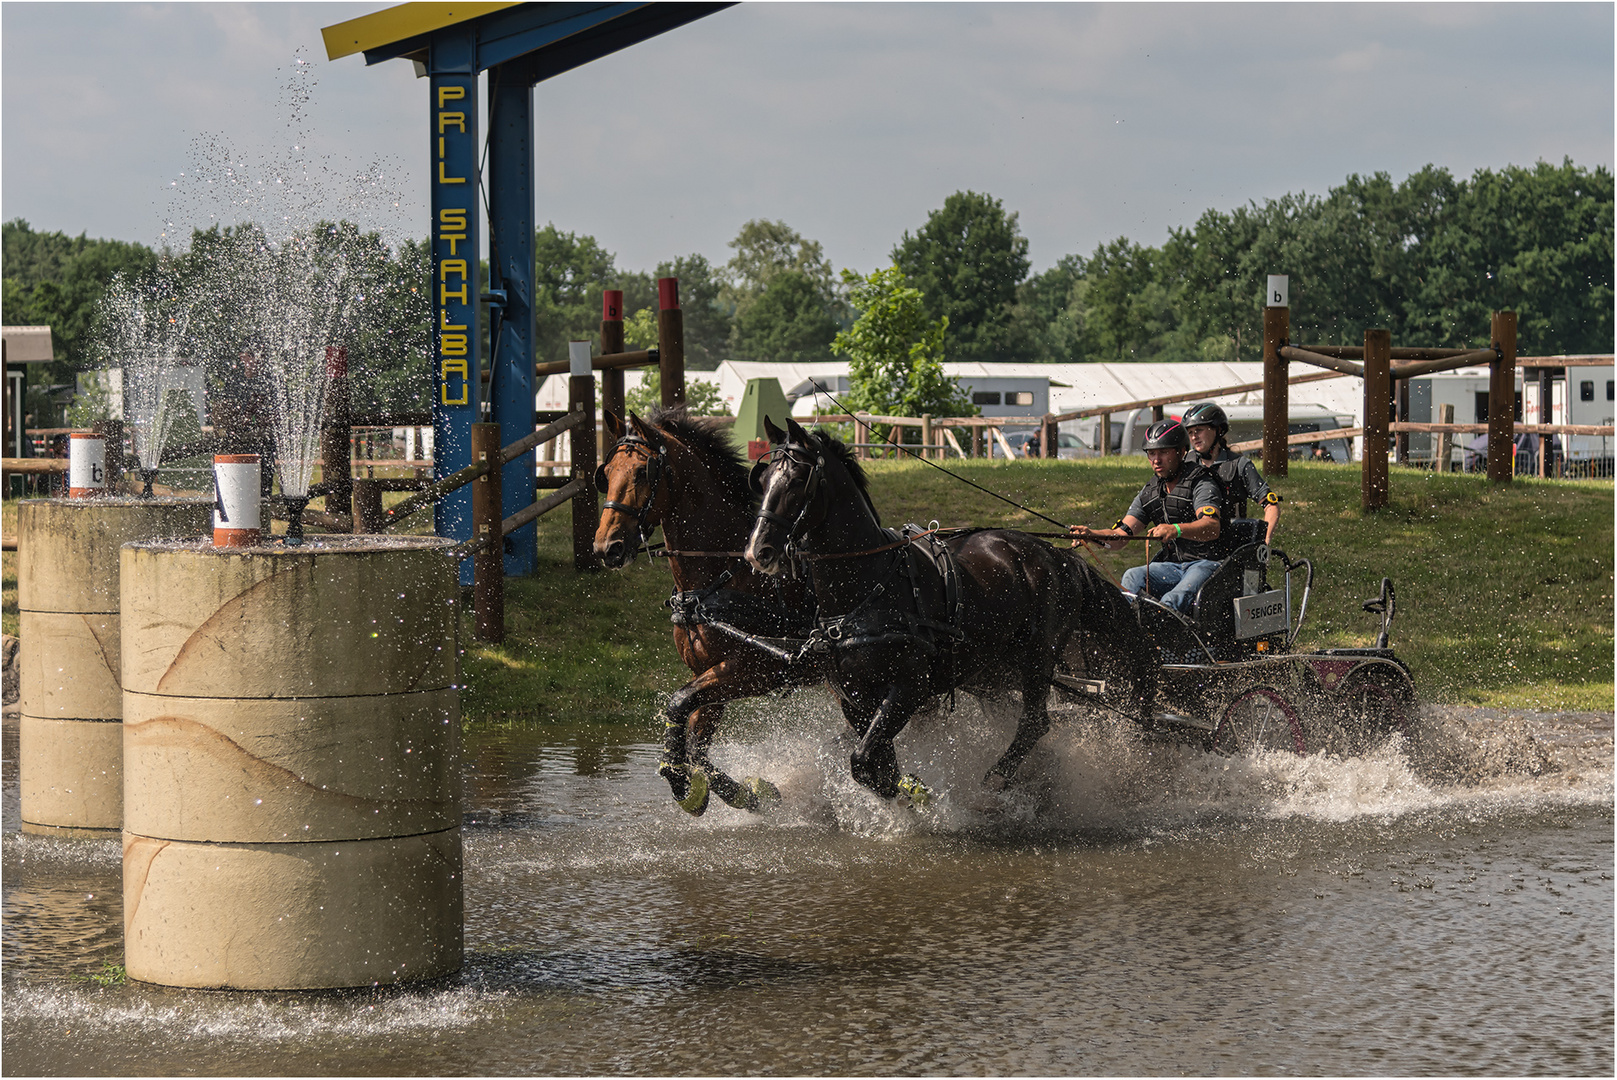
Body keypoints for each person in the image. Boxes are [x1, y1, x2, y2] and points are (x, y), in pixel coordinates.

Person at [1068, 418, 1224, 614]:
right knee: (1132, 576)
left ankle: (1162, 642)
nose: (1156, 460)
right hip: (1173, 567)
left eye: (1163, 452)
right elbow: (1121, 537)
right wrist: (1091, 535)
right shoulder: (1150, 492)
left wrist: (1175, 530)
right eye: (1151, 454)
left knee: (1170, 600)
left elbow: (1211, 527)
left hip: (1208, 564)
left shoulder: (1201, 482)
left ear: (1181, 451)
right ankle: (1127, 632)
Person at [1181, 402, 1281, 545]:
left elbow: (1272, 506)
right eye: (1190, 432)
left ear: (1218, 430)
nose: (1194, 437)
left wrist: (1265, 542)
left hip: (1231, 544)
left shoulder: (1240, 465)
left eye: (1199, 430)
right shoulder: (1185, 464)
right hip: (1192, 544)